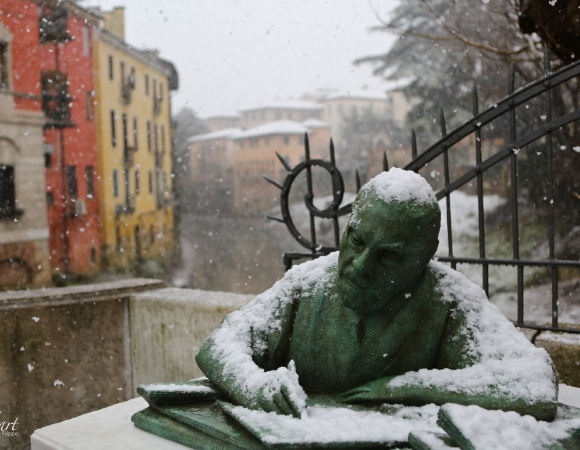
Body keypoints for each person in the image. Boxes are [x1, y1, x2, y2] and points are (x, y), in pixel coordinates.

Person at [196, 168, 558, 421]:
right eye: (356, 240)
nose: (360, 265)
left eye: (388, 256)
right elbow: (220, 345)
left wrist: (408, 387)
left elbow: (535, 384)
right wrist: (255, 387)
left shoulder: (450, 299)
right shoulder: (307, 284)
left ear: (424, 258)